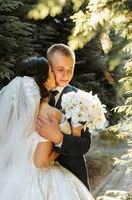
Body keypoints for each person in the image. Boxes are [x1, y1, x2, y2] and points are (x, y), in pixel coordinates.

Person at [0, 56, 94, 200]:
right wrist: (58, 148)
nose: (54, 74)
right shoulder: (50, 114)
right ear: (44, 81)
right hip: (40, 180)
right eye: (51, 71)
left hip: (12, 178)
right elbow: (40, 161)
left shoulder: (14, 113)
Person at [36, 44, 91, 189]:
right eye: (60, 69)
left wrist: (59, 138)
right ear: (49, 66)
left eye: (70, 70)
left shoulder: (79, 99)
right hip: (36, 174)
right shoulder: (33, 94)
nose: (66, 75)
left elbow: (84, 144)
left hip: (71, 175)